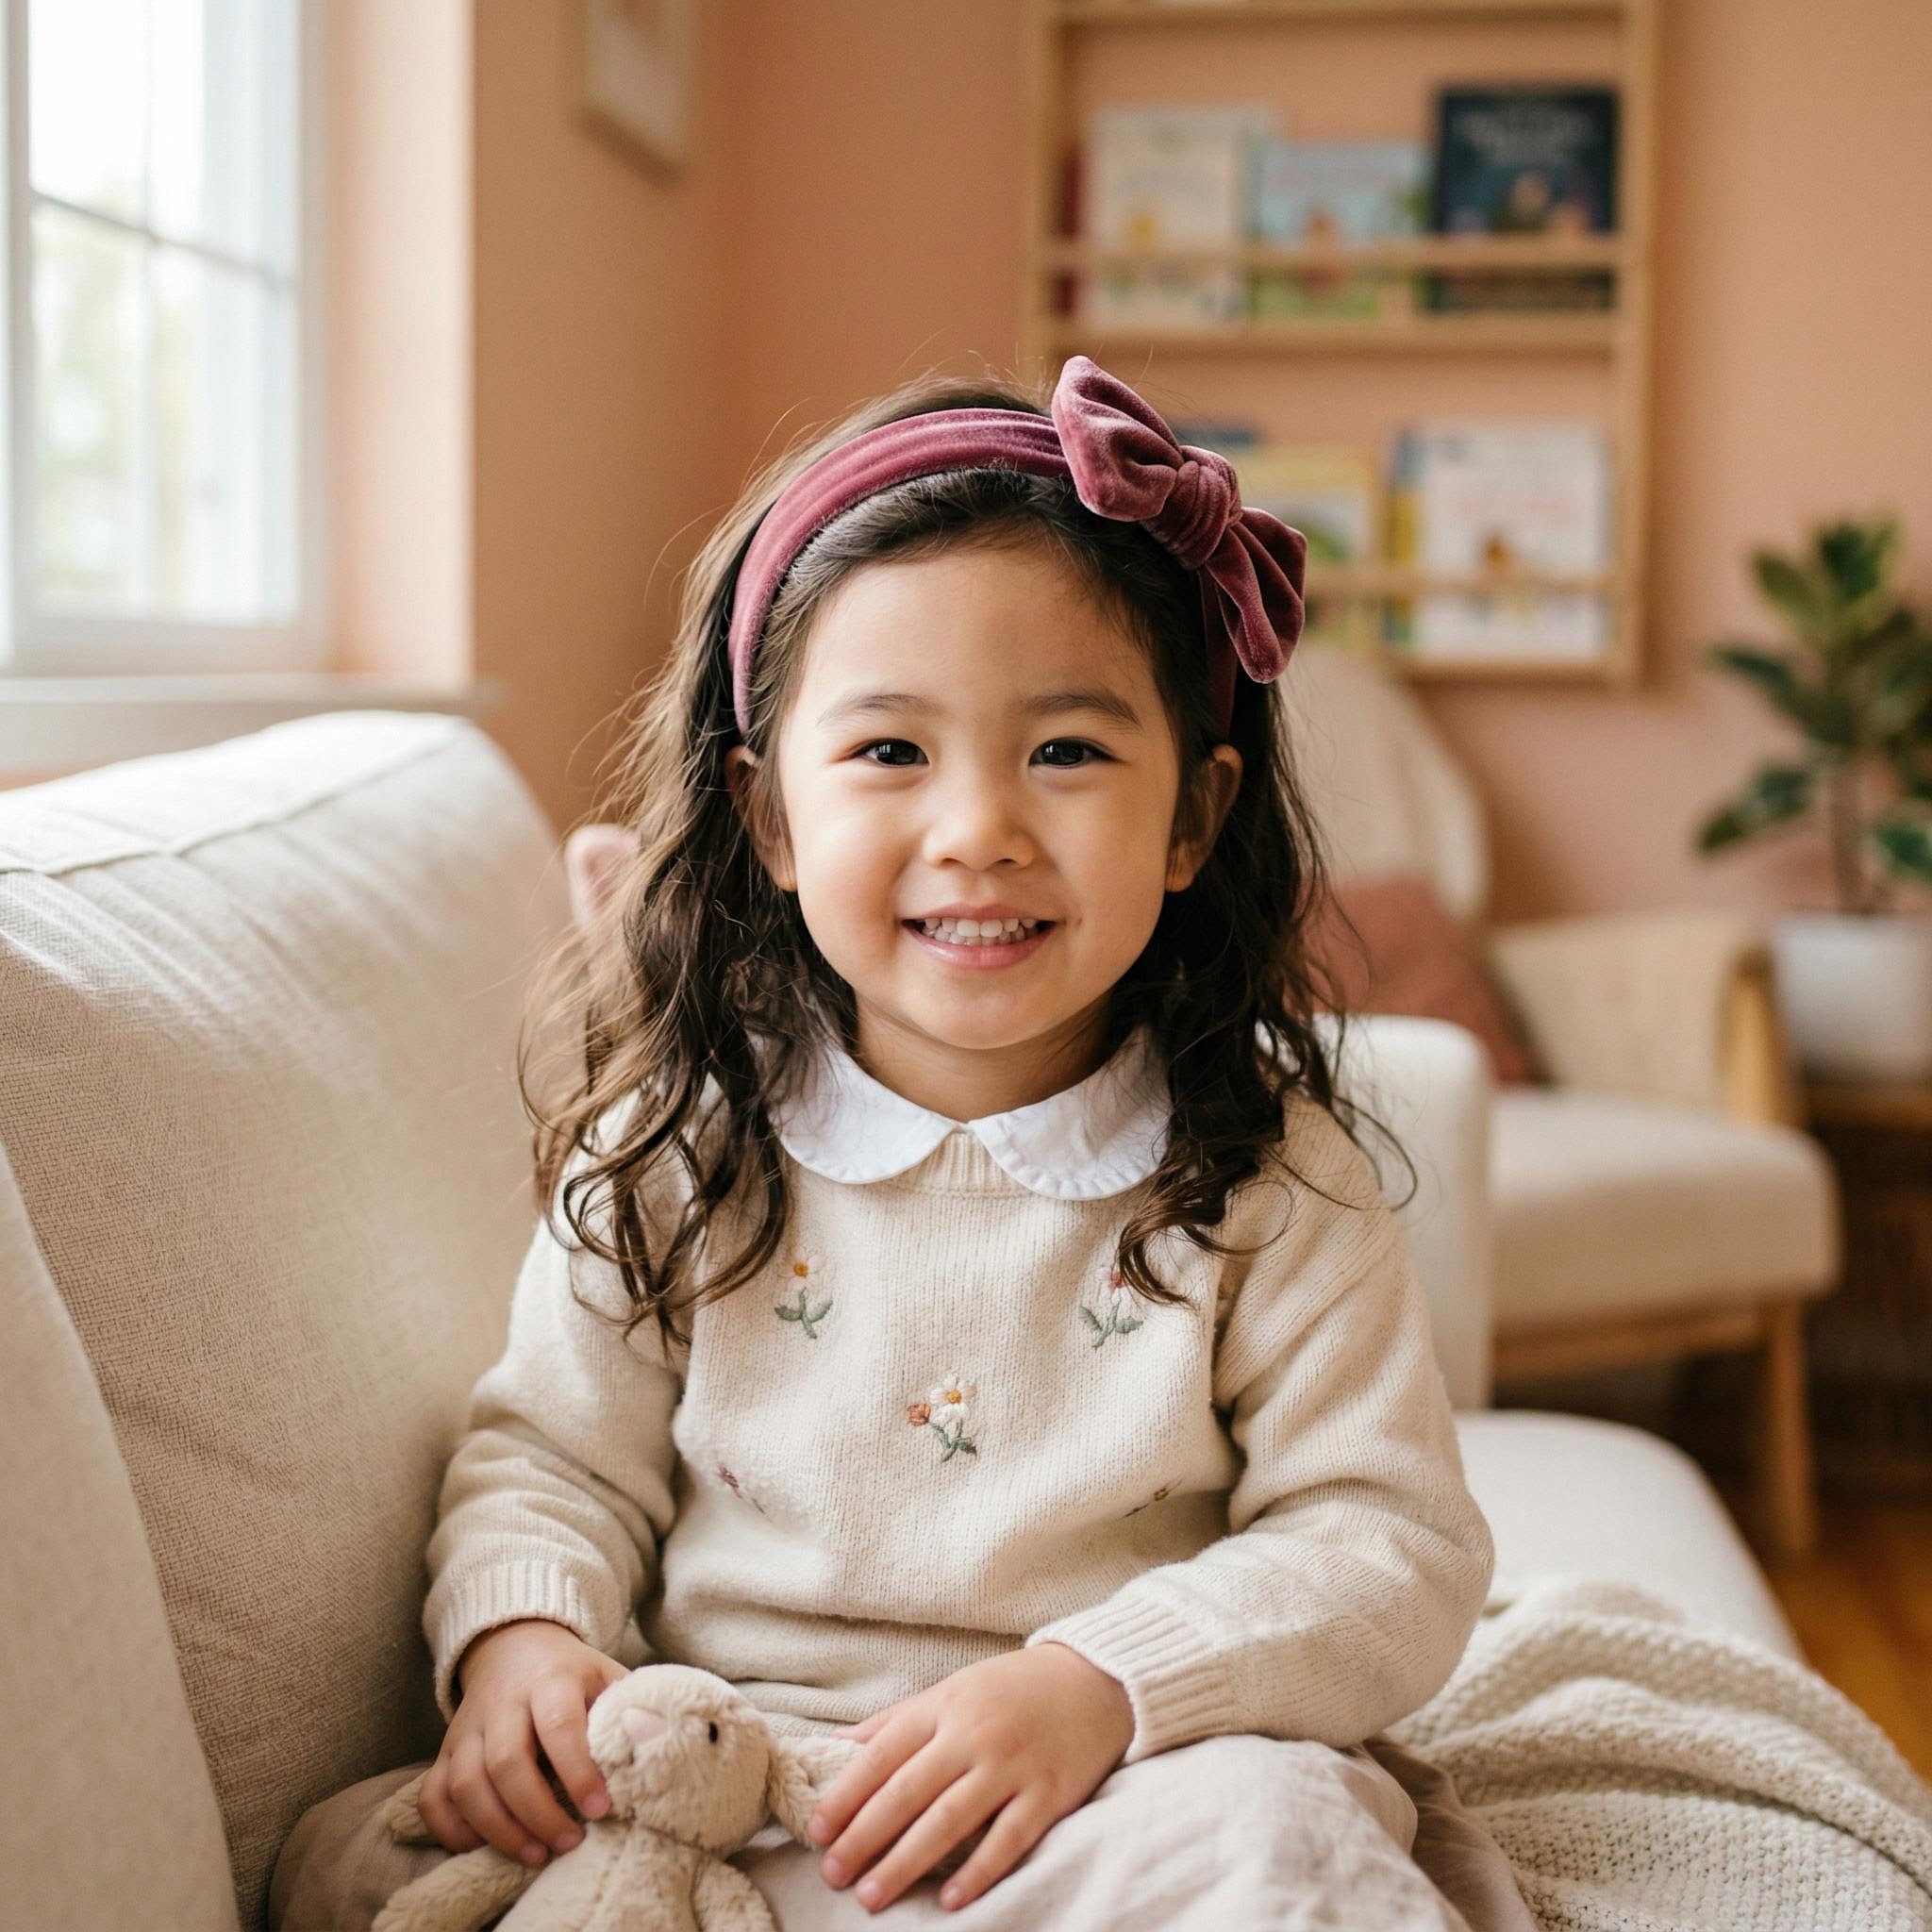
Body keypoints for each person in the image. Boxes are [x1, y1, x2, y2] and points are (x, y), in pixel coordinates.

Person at [270, 354, 1507, 1930]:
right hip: (734, 1780)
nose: (977, 826)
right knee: (346, 1867)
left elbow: (1385, 1542)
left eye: (1066, 751)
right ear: (771, 819)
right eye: (890, 752)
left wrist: (1098, 1688)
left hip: (1112, 1786)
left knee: (1293, 1839)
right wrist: (525, 1638)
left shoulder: (1269, 1181)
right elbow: (549, 1460)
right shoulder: (675, 1152)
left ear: (1193, 821)